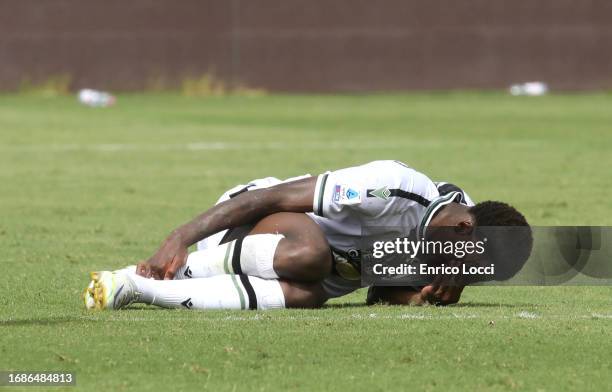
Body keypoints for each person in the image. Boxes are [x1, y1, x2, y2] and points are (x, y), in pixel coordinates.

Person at [83, 160, 532, 311]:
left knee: (309, 296)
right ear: (462, 230)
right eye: (468, 266)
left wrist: (421, 295)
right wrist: (178, 236)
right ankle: (163, 269)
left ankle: (138, 288)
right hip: (248, 225)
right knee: (313, 256)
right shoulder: (392, 185)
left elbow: (380, 287)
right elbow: (273, 197)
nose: (463, 276)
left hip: (280, 272)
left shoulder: (448, 239)